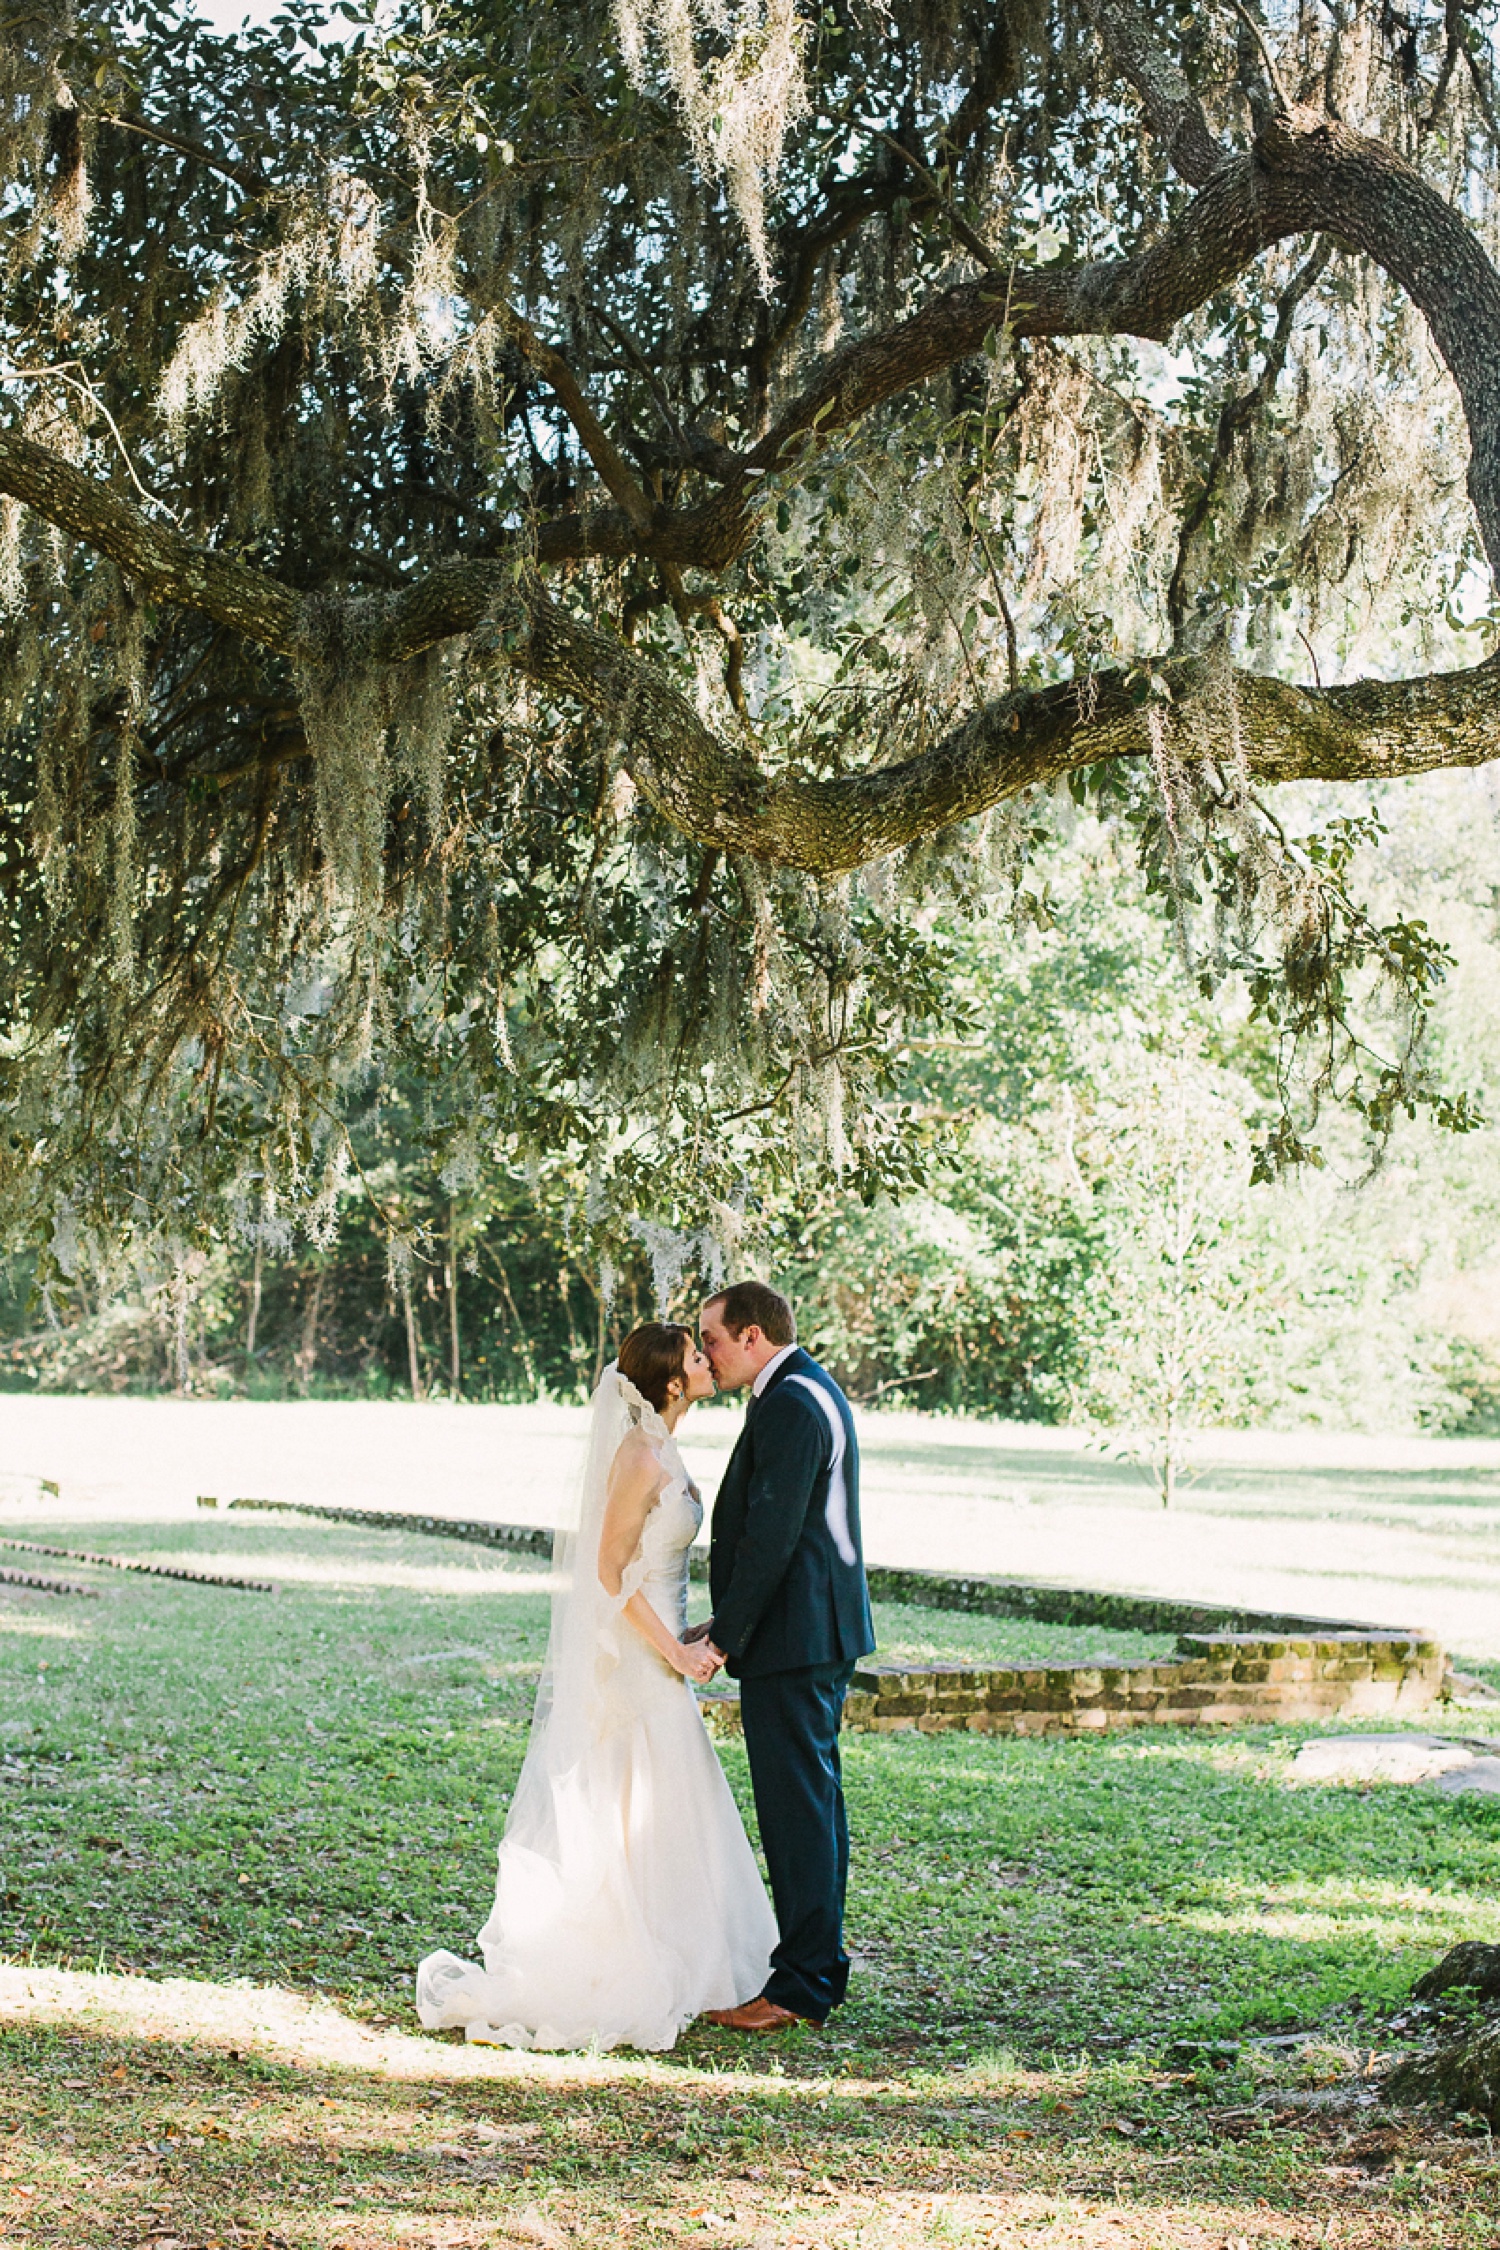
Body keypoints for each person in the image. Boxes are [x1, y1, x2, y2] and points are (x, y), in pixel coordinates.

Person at [414, 1323, 777, 2051]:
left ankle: (691, 1953)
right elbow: (609, 1573)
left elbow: (659, 1566)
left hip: (667, 1646)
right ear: (673, 1381)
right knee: (636, 1791)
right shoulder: (640, 1457)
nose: (710, 1363)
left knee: (671, 1799)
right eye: (696, 1356)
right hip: (641, 1659)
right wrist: (672, 1649)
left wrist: (694, 1632)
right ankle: (628, 1956)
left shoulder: (667, 1447)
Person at [690, 1281, 875, 2032]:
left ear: (753, 1336)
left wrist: (725, 1636)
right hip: (812, 1634)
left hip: (795, 1640)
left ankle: (799, 1987)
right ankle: (813, 1971)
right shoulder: (805, 1387)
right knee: (814, 1808)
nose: (704, 1353)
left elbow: (774, 1535)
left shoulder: (794, 1403)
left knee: (799, 1814)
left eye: (711, 1340)